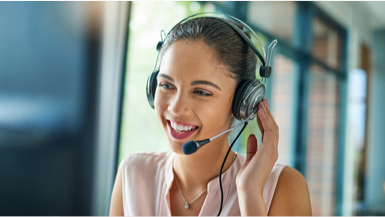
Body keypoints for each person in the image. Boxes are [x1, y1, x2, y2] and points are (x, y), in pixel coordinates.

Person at [109, 15, 312, 216]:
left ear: (243, 103)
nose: (177, 108)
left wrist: (250, 194)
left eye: (201, 92)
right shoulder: (133, 173)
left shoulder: (284, 187)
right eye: (166, 85)